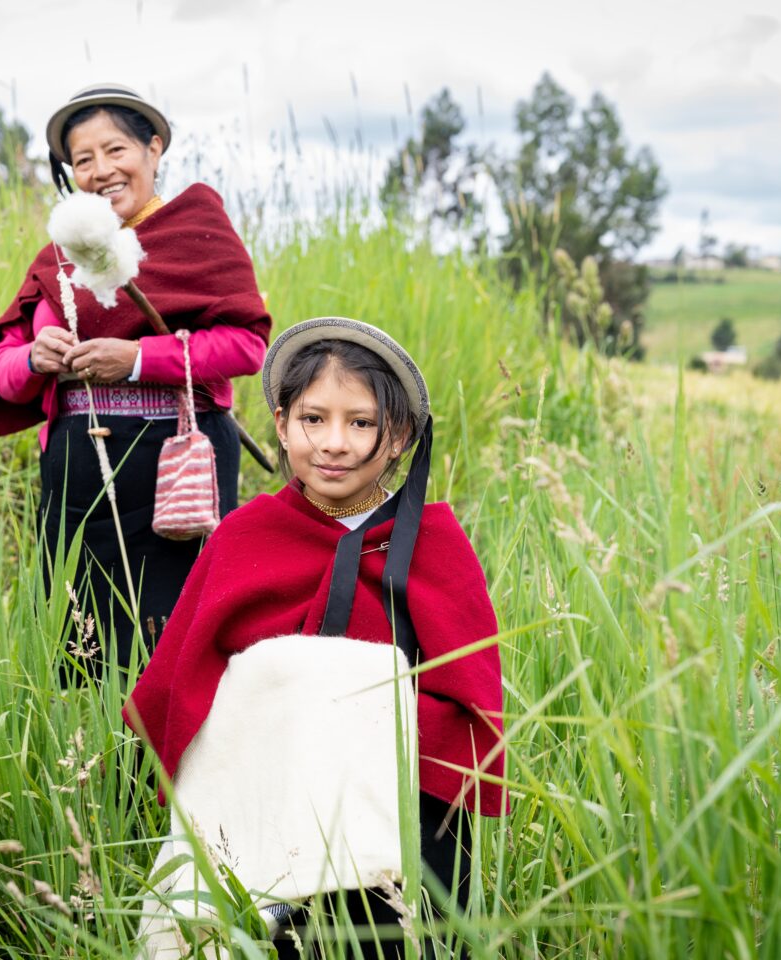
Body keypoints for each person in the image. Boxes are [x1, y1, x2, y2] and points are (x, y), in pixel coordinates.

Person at [125, 317, 506, 957]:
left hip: (401, 815)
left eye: (360, 423)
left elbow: (471, 705)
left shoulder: (435, 547)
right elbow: (178, 681)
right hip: (261, 805)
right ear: (280, 423)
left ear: (400, 436)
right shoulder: (247, 537)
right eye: (313, 419)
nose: (334, 443)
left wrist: (366, 714)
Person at [0, 83, 271, 674]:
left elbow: (247, 345)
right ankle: (89, 763)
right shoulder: (57, 260)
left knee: (173, 643)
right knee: (79, 642)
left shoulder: (197, 229)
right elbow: (5, 376)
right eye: (82, 160)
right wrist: (36, 357)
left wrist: (135, 359)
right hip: (79, 472)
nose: (101, 171)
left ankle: (164, 765)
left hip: (177, 467)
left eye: (116, 150)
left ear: (154, 149)